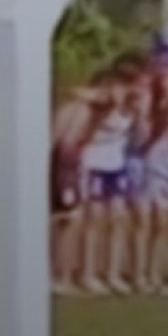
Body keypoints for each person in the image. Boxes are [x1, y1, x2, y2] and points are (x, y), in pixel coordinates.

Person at [124, 40, 168, 294]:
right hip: (140, 161)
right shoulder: (142, 97)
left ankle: (154, 274)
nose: (165, 78)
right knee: (141, 220)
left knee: (160, 221)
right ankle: (137, 274)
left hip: (164, 162)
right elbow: (143, 138)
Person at [76, 65, 141, 295]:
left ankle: (113, 274)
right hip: (94, 164)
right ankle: (88, 273)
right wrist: (104, 97)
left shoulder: (132, 108)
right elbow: (79, 94)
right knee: (94, 220)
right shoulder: (101, 105)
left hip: (117, 164)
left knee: (117, 219)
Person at [50, 70, 115, 295]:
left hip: (72, 164)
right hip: (63, 163)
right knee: (67, 221)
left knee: (73, 220)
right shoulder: (79, 109)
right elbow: (59, 140)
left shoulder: (95, 110)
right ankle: (59, 276)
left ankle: (64, 275)